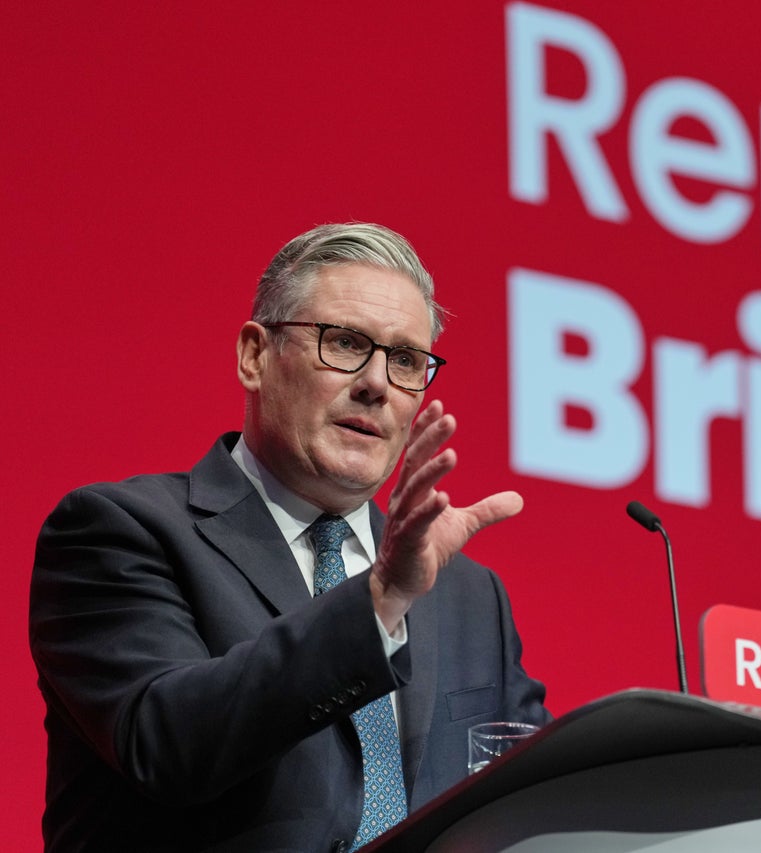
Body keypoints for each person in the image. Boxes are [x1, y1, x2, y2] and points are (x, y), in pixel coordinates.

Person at [29, 222, 550, 852]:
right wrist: (378, 602)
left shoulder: (470, 596)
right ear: (254, 356)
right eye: (346, 343)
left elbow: (536, 795)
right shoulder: (122, 531)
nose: (377, 384)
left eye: (406, 360)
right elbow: (166, 743)